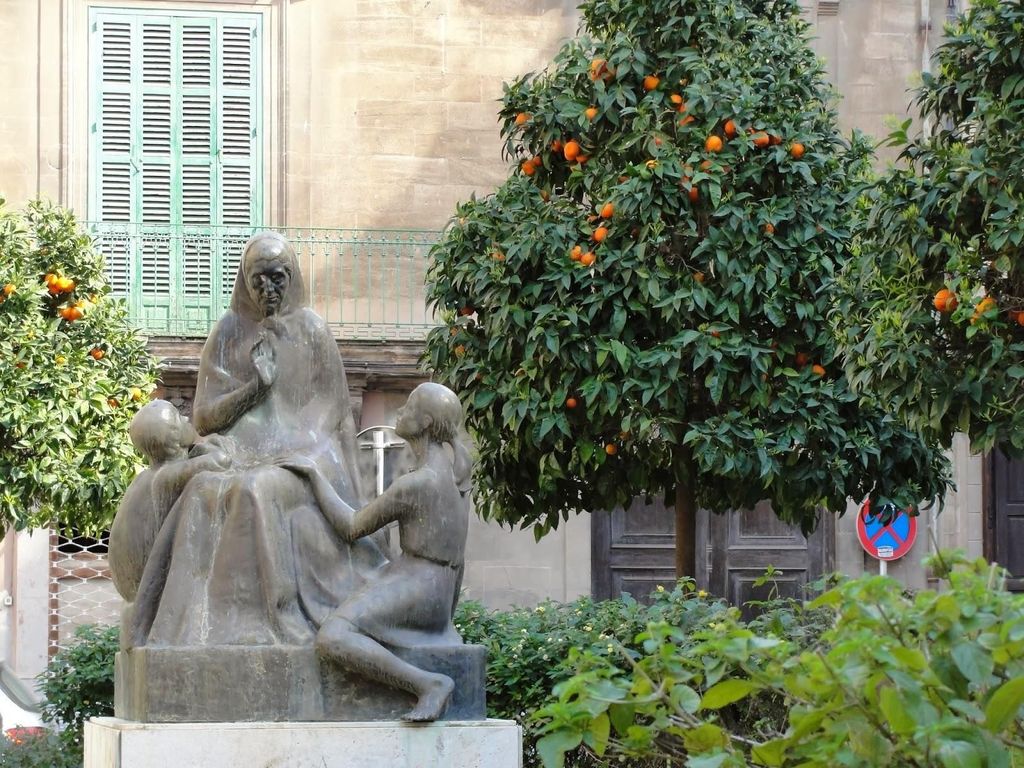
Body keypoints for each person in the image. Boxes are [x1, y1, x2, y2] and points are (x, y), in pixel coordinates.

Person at [129, 232, 384, 648]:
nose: (268, 289)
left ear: (292, 277)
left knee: (256, 488)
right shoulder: (228, 331)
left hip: (307, 455)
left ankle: (275, 616)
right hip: (241, 451)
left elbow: (331, 413)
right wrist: (255, 389)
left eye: (277, 278)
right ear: (244, 280)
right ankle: (187, 629)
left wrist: (291, 446)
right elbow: (205, 418)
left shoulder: (313, 330)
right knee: (201, 488)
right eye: (258, 279)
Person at [281, 382, 472, 721]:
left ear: (426, 422)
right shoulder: (457, 472)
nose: (401, 411)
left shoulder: (417, 483)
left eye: (409, 408)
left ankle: (428, 684)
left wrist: (314, 476)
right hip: (435, 586)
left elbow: (352, 526)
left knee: (333, 637)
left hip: (420, 584)